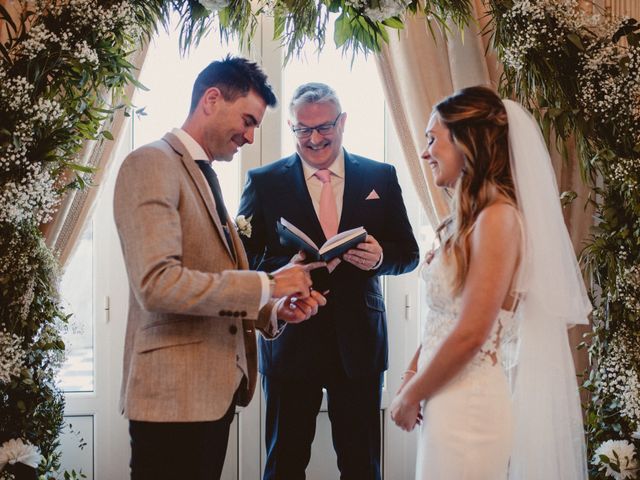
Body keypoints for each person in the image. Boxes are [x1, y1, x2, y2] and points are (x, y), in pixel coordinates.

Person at [113, 56, 327, 480]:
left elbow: (208, 274)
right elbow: (157, 283)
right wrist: (267, 284)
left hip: (212, 395)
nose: (249, 137)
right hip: (173, 400)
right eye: (247, 121)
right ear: (212, 99)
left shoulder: (204, 176)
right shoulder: (152, 163)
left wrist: (273, 308)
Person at [390, 86, 591, 479]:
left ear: (467, 143)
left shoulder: (498, 219)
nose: (424, 151)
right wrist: (411, 377)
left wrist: (410, 396)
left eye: (433, 138)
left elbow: (472, 331)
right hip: (444, 396)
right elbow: (444, 317)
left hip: (470, 407)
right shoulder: (464, 219)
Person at [237, 82, 420, 480]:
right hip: (290, 339)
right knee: (283, 463)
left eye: (324, 127)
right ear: (291, 127)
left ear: (343, 122)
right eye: (304, 130)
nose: (315, 138)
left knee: (361, 465)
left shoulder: (380, 176)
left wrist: (381, 256)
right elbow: (244, 260)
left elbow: (410, 254)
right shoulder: (263, 181)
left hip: (358, 343)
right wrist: (289, 266)